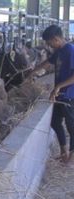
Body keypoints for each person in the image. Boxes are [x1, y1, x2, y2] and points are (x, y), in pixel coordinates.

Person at [28, 25, 74, 163]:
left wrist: (58, 86)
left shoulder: (70, 51)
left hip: (70, 96)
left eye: (49, 43)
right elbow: (48, 63)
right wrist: (33, 71)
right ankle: (63, 151)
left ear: (56, 39)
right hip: (60, 95)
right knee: (55, 122)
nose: (49, 46)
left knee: (71, 126)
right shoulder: (59, 51)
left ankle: (71, 158)